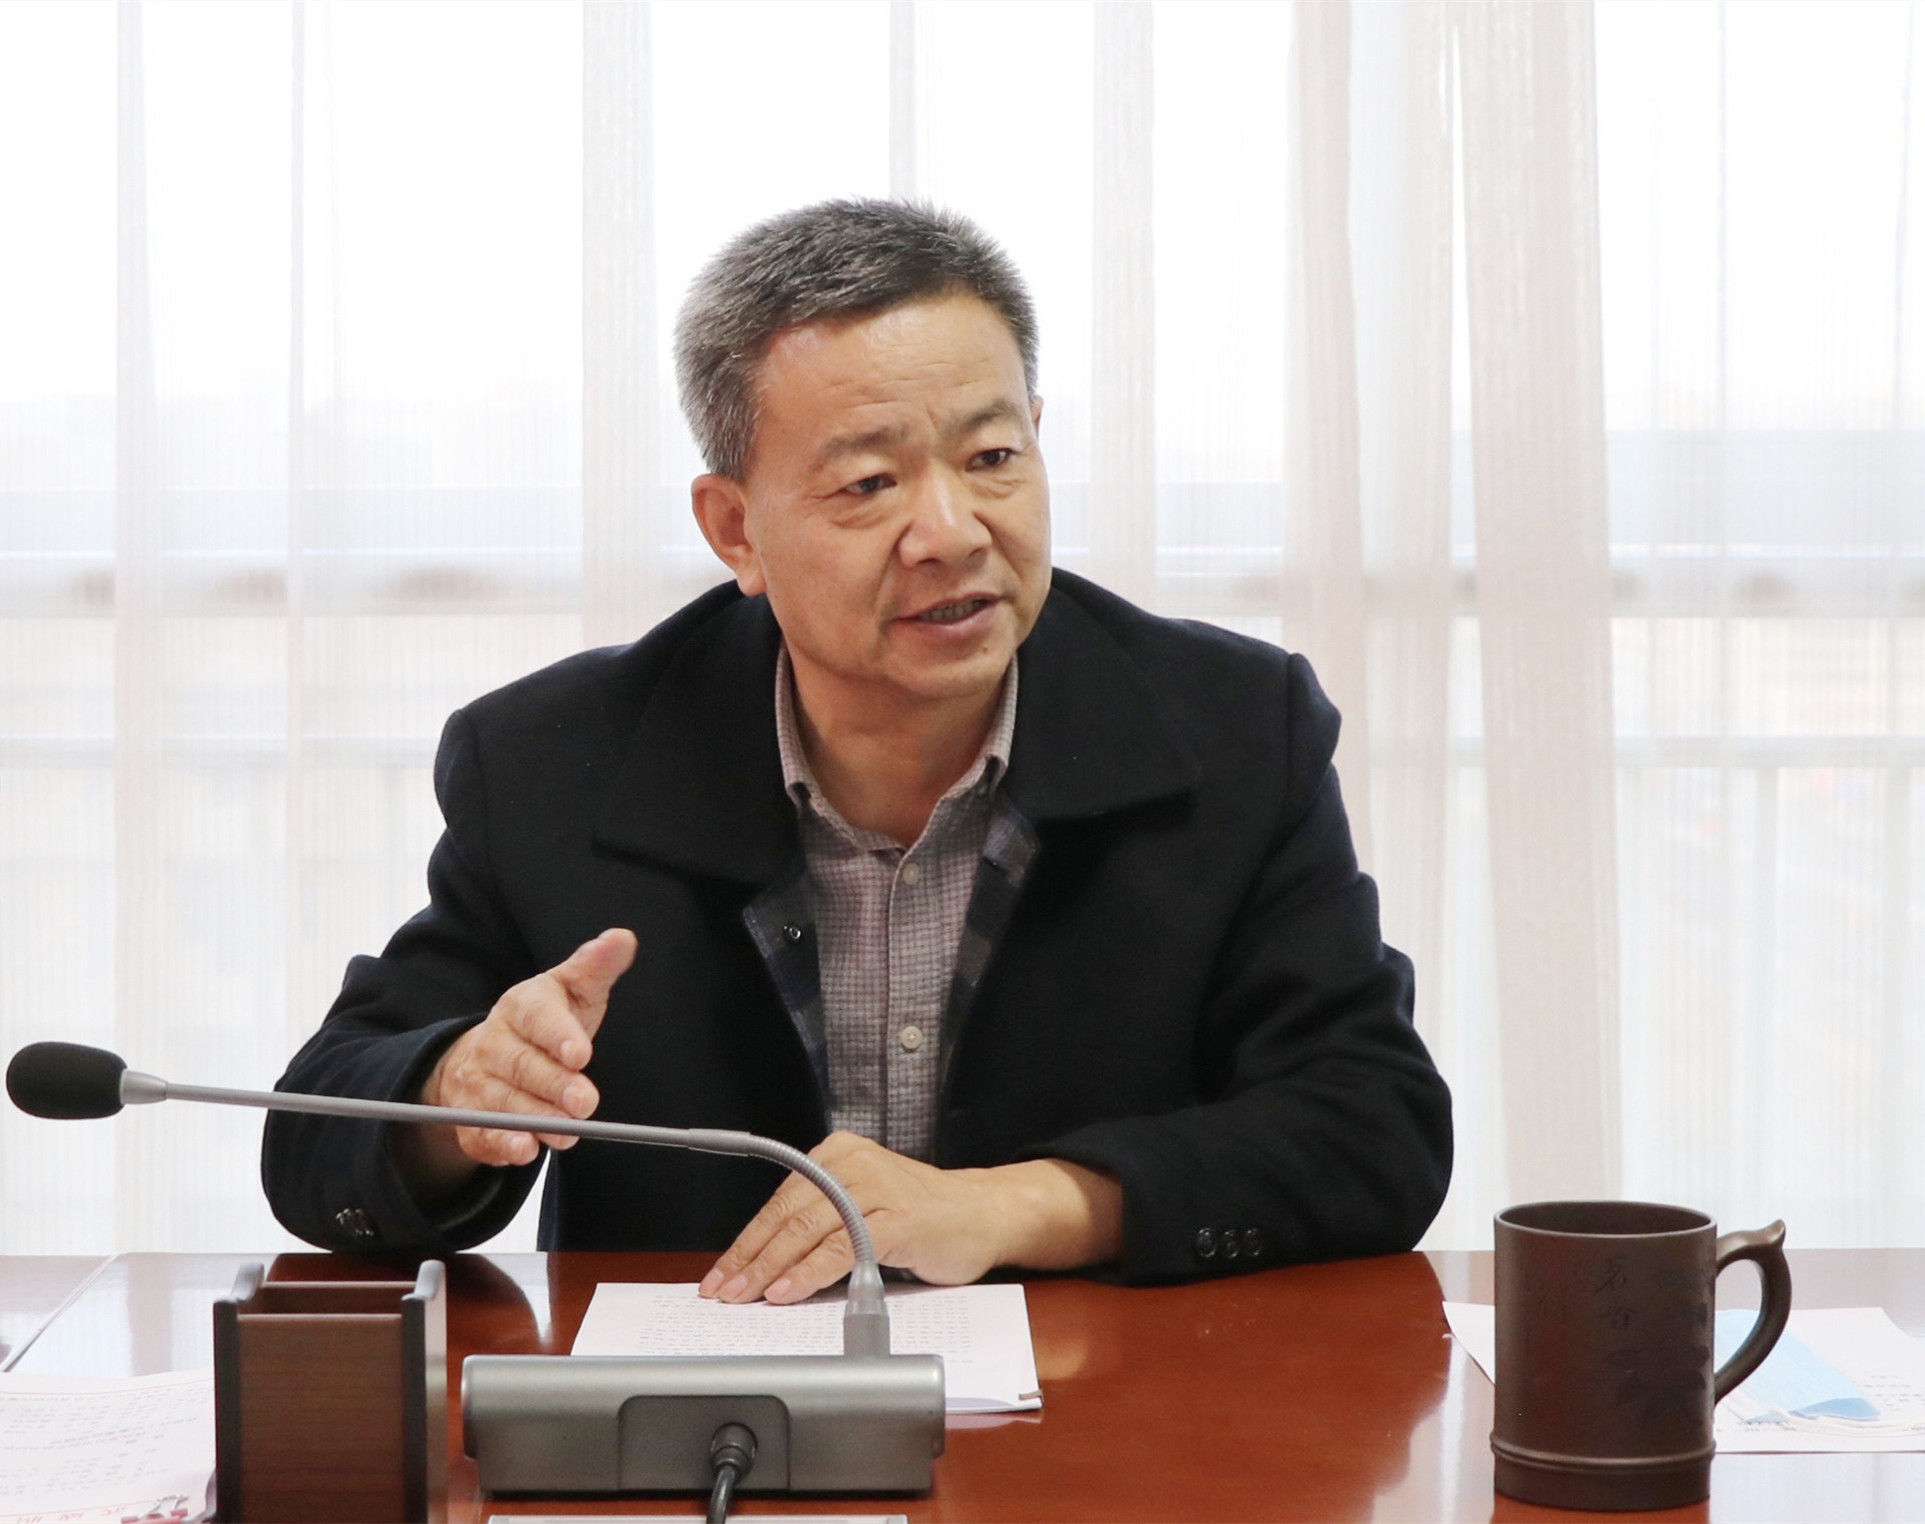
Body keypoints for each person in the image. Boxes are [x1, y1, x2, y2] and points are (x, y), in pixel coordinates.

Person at [263, 199, 1451, 1301]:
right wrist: (454, 1093)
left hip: (1103, 1411)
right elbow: (314, 1136)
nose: (950, 532)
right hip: (702, 1415)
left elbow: (1373, 1126)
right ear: (736, 528)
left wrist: (1016, 1207)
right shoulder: (552, 765)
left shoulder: (1231, 729)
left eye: (992, 459)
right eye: (870, 482)